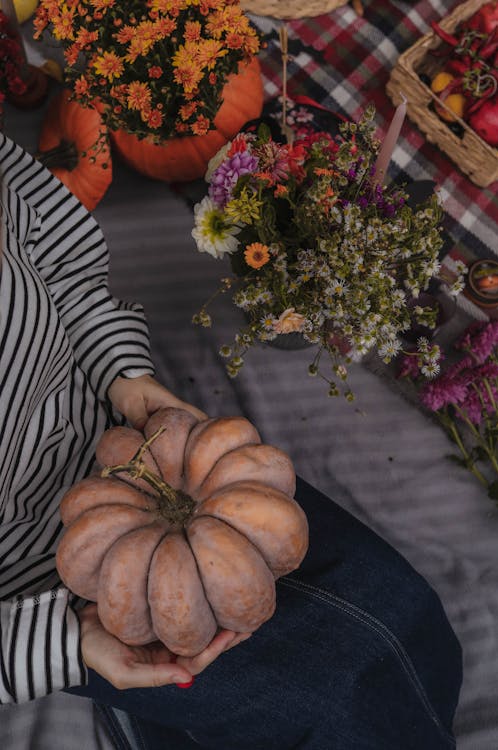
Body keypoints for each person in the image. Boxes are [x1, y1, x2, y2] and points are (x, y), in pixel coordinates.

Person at [0, 132, 462, 749]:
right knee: (333, 704)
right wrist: (62, 644)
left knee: (405, 615)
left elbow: (58, 259)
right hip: (44, 594)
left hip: (149, 459)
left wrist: (125, 376)